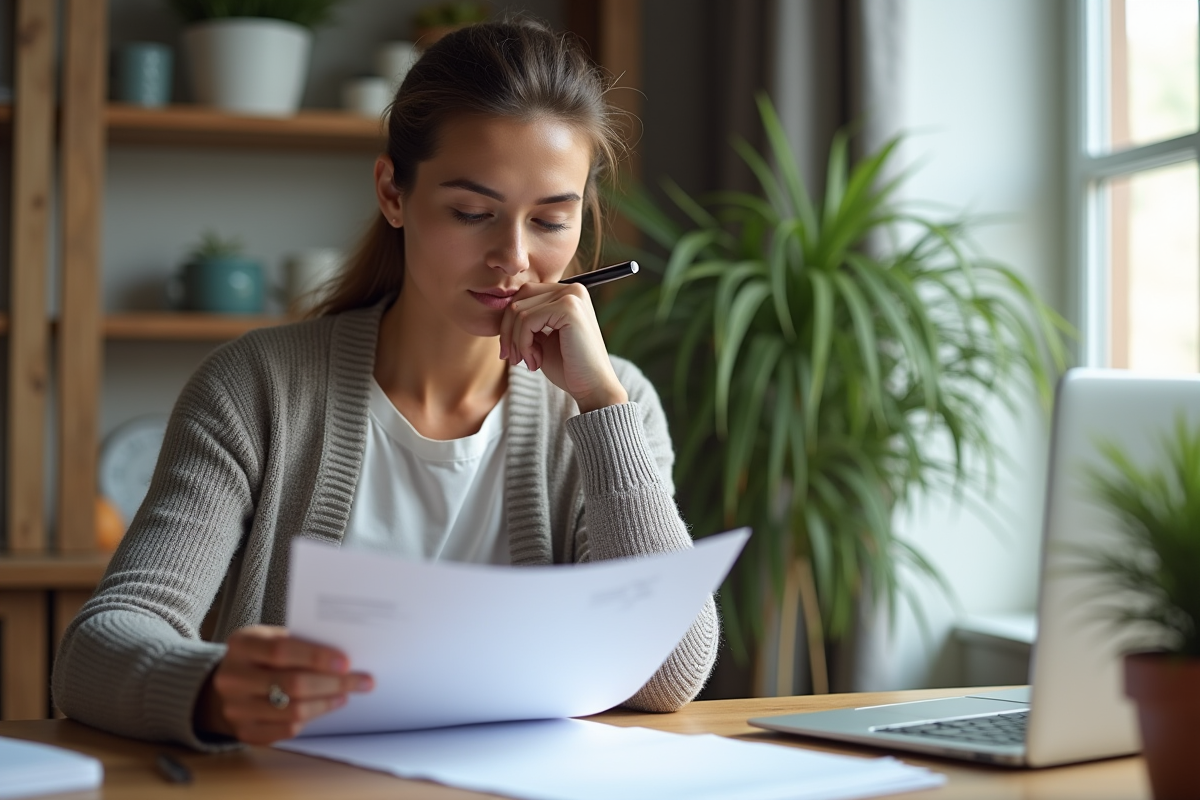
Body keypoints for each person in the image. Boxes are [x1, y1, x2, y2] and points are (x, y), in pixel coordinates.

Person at [52, 18, 718, 750]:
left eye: (551, 220)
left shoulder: (616, 404)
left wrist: (600, 407)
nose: (515, 259)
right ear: (393, 193)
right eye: (473, 213)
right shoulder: (256, 389)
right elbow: (96, 649)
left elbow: (670, 672)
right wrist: (211, 689)